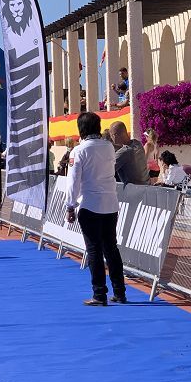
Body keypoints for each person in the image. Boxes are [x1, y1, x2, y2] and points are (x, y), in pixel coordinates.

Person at [65, 111, 127, 306]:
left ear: (81, 128)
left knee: (94, 250)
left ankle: (99, 293)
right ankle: (120, 291)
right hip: (110, 203)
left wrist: (70, 205)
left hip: (90, 204)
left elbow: (73, 181)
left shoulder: (78, 151)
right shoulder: (108, 146)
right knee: (111, 248)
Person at [109, 121, 149, 185]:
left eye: (111, 135)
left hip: (133, 191)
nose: (111, 138)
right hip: (146, 185)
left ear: (115, 135)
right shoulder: (138, 144)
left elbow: (107, 170)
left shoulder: (124, 152)